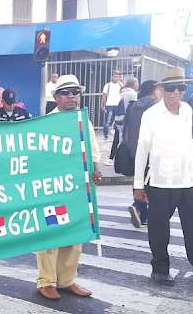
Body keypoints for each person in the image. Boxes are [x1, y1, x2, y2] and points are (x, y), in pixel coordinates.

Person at [134, 68, 193, 287]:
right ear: (162, 89)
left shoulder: (188, 110)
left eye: (181, 87)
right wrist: (137, 184)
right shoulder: (150, 115)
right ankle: (160, 269)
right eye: (171, 88)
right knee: (158, 228)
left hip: (191, 177)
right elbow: (142, 150)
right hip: (162, 180)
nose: (176, 92)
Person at [36, 74, 101, 300]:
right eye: (66, 92)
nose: (72, 96)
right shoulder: (46, 122)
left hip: (77, 186)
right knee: (51, 231)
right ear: (56, 96)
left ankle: (66, 280)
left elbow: (92, 146)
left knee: (75, 232)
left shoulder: (84, 119)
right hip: (53, 186)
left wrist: (97, 168)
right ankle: (46, 281)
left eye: (75, 92)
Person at [122, 80, 160, 228]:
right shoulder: (155, 107)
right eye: (158, 89)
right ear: (152, 90)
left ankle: (139, 207)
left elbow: (126, 129)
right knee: (151, 182)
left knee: (139, 179)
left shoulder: (133, 106)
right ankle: (141, 209)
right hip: (150, 150)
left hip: (134, 148)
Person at [106, 77, 139, 166]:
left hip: (118, 119)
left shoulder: (122, 92)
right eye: (137, 82)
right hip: (126, 120)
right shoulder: (132, 94)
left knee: (118, 139)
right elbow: (132, 108)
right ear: (133, 83)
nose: (138, 84)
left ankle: (112, 159)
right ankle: (122, 161)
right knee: (123, 141)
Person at [101, 70, 124, 139]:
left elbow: (123, 93)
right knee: (108, 121)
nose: (116, 78)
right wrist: (102, 105)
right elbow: (104, 96)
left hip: (118, 105)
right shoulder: (108, 85)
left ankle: (116, 134)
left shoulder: (121, 85)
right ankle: (106, 135)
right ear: (112, 77)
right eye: (115, 77)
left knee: (118, 120)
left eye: (117, 77)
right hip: (109, 105)